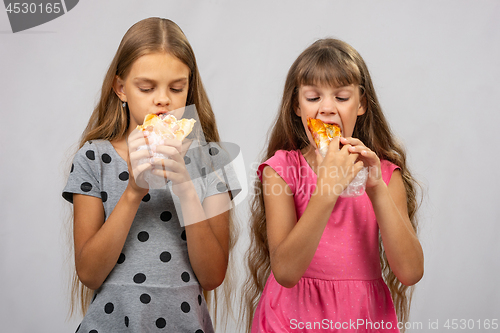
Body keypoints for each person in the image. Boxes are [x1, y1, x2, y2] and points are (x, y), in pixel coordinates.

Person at [63, 17, 240, 332]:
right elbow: (89, 273)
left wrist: (186, 188)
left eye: (176, 87)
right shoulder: (93, 158)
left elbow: (213, 276)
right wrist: (133, 192)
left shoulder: (212, 159)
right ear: (121, 89)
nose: (163, 100)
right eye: (146, 87)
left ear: (190, 87)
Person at [243, 39, 424, 332]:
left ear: (362, 103)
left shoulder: (386, 175)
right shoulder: (281, 170)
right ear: (296, 106)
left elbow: (411, 271)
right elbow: (286, 272)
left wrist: (375, 187)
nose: (327, 108)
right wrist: (326, 190)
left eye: (341, 97)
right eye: (313, 98)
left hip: (362, 318)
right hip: (289, 319)